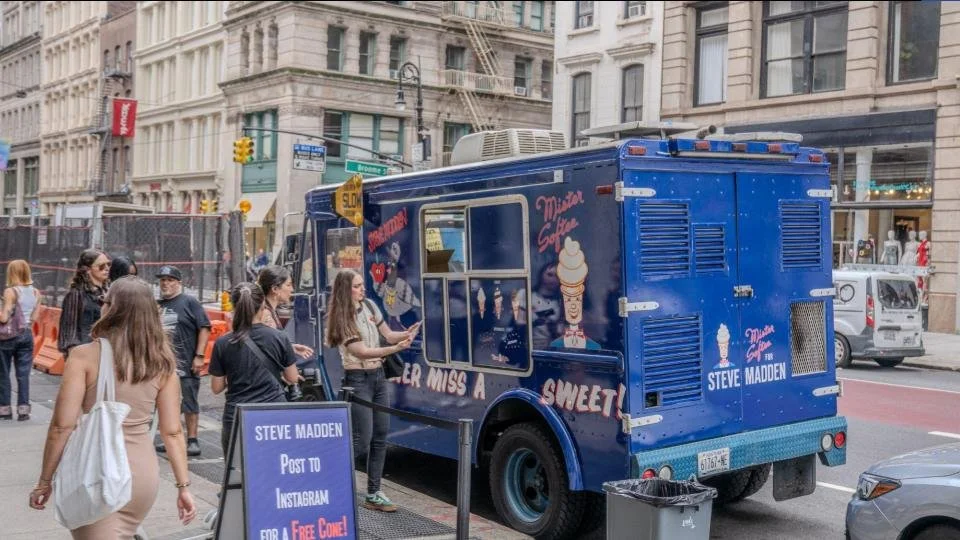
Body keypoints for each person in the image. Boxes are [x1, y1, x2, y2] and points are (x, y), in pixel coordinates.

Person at [29, 277, 197, 537]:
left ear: (110, 308)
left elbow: (62, 426)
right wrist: (183, 486)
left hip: (98, 472)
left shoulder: (84, 356)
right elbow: (173, 432)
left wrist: (44, 481)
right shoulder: (163, 363)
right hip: (142, 475)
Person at [325, 269, 419, 513]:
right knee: (362, 441)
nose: (362, 289)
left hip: (378, 378)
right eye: (357, 286)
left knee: (381, 436)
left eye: (361, 284)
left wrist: (407, 334)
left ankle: (374, 493)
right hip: (358, 379)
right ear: (346, 290)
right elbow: (362, 351)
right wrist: (394, 349)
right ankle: (328, 482)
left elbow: (387, 334)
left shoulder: (369, 305)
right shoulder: (342, 319)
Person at [208, 282, 300, 453]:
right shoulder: (279, 337)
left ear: (234, 307)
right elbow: (292, 378)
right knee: (275, 466)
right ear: (263, 305)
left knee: (240, 473)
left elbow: (216, 387)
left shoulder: (223, 343)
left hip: (237, 416)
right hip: (273, 414)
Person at [155, 266, 211, 457]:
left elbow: (204, 327)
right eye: (163, 280)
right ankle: (170, 436)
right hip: (163, 365)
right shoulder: (157, 304)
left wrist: (199, 355)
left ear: (179, 283)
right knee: (167, 403)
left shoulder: (189, 302)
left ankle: (192, 440)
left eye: (170, 280)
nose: (166, 283)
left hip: (186, 362)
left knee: (189, 401)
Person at [0, 260, 41, 421]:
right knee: (23, 374)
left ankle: (4, 409)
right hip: (27, 335)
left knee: (3, 373)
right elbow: (35, 317)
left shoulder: (11, 291)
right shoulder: (36, 292)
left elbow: (4, 318)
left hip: (8, 338)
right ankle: (23, 410)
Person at [58, 249, 110, 356]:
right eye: (101, 266)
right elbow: (69, 329)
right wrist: (73, 354)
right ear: (88, 270)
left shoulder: (108, 292)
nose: (106, 268)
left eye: (108, 264)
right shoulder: (76, 294)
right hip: (84, 352)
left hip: (105, 351)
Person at [255, 266, 314, 359]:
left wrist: (290, 347)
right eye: (288, 285)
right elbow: (268, 350)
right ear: (275, 289)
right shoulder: (266, 315)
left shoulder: (269, 311)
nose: (292, 289)